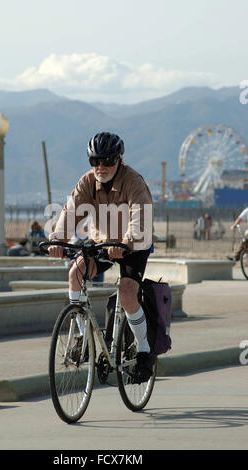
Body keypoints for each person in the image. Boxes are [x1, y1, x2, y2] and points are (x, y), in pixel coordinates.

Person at [47, 132, 155, 384]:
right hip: (102, 242)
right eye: (95, 161)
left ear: (119, 159)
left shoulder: (133, 181)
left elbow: (140, 214)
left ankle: (144, 351)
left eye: (106, 160)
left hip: (133, 245)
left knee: (127, 292)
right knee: (75, 273)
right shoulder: (87, 182)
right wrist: (58, 239)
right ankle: (84, 340)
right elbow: (70, 210)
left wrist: (127, 242)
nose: (101, 167)